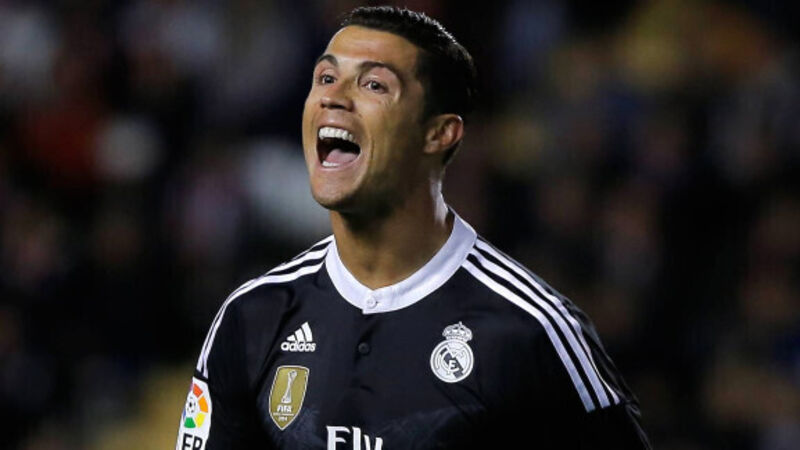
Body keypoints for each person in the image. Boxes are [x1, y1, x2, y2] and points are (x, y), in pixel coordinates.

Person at [176, 6, 650, 449]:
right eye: (325, 77)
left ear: (439, 133)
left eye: (373, 85)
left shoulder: (531, 331)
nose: (333, 98)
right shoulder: (252, 317)